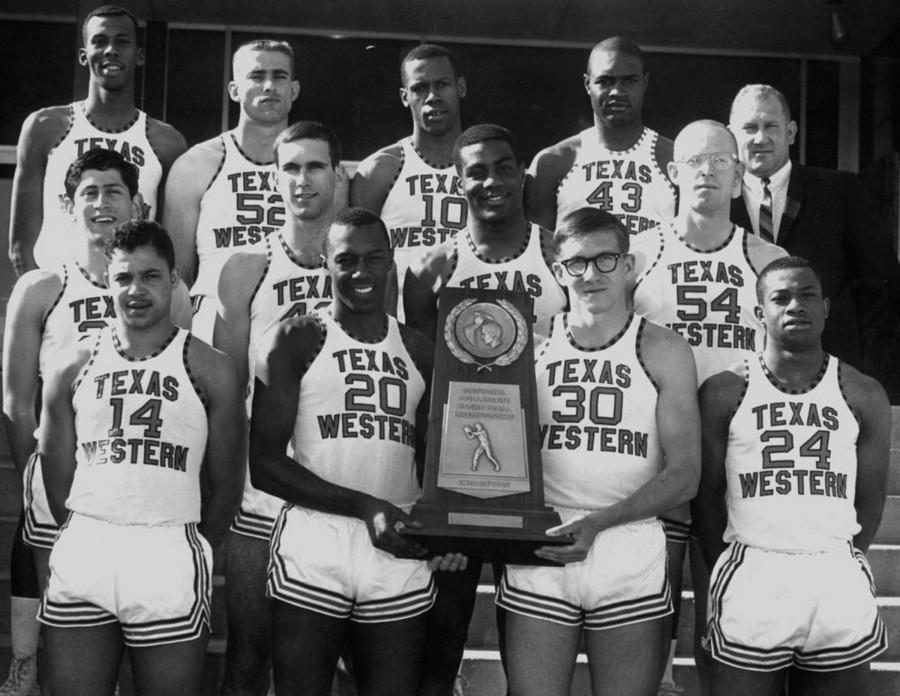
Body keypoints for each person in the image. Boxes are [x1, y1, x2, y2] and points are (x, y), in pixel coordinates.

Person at [249, 207, 464, 695]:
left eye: (374, 259)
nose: (361, 273)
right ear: (325, 263)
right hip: (316, 539)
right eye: (346, 260)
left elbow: (437, 461)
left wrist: (447, 530)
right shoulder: (293, 339)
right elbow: (264, 466)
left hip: (398, 540)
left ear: (390, 262)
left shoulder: (421, 350)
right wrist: (365, 507)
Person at [35, 220, 245, 695]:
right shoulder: (72, 364)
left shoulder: (212, 368)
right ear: (107, 281)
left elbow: (227, 484)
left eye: (150, 276)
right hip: (88, 543)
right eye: (123, 277)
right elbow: (57, 480)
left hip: (169, 546)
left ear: (173, 280)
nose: (136, 289)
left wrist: (194, 545)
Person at [497, 207, 700, 696]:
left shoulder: (664, 349)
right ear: (557, 270)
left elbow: (685, 474)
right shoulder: (529, 343)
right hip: (542, 540)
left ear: (629, 266)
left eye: (605, 260)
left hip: (628, 539)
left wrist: (600, 523)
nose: (590, 274)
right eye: (576, 263)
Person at [404, 123, 568, 696]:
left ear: (521, 171)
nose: (492, 181)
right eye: (477, 171)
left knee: (528, 652)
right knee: (440, 644)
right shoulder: (433, 268)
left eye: (503, 167)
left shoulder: (557, 254)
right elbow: (424, 382)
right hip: (458, 475)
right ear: (457, 182)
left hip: (544, 472)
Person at [630, 119, 786, 695]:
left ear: (740, 172)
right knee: (653, 595)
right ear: (672, 172)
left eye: (721, 161)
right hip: (654, 444)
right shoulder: (640, 252)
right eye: (695, 161)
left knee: (726, 594)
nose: (708, 171)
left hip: (738, 447)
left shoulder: (769, 256)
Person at [693, 255, 889, 696]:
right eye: (780, 297)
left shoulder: (863, 391)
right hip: (753, 569)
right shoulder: (725, 390)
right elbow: (707, 497)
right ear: (760, 313)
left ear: (826, 308)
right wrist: (735, 558)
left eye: (807, 295)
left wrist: (835, 552)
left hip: (834, 573)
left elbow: (871, 500)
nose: (795, 305)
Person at [1, 149, 141, 696]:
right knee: (60, 598)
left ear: (137, 202)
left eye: (114, 191)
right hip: (61, 467)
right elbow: (16, 399)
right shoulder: (42, 287)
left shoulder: (160, 287)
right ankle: (25, 662)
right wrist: (35, 470)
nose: (102, 203)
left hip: (131, 469)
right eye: (90, 192)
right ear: (68, 204)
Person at [213, 121, 343, 696]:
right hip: (262, 490)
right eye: (290, 167)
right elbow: (226, 387)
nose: (302, 179)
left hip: (342, 479)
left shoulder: (366, 264)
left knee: (341, 662)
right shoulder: (246, 268)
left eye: (315, 166)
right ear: (274, 178)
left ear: (338, 176)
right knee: (247, 657)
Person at [728, 84, 900, 373]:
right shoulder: (718, 200)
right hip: (740, 367)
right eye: (749, 128)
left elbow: (881, 282)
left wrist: (854, 354)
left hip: (830, 365)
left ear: (791, 132)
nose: (760, 138)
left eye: (771, 125)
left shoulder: (839, 191)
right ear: (731, 135)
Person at [8, 4, 186, 275]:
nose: (110, 50)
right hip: (57, 293)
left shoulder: (166, 142)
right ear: (83, 55)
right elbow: (21, 246)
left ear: (139, 56)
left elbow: (169, 246)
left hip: (129, 298)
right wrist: (44, 304)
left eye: (122, 42)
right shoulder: (45, 127)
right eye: (99, 42)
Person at [163, 39, 301, 342]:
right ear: (234, 90)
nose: (268, 86)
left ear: (293, 90)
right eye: (256, 76)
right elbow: (177, 273)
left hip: (294, 319)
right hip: (214, 319)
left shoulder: (318, 168)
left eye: (279, 76)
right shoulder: (196, 165)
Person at [351, 43, 468, 315]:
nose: (432, 96)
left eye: (442, 85)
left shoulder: (487, 168)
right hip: (398, 328)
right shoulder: (379, 170)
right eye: (420, 88)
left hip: (471, 327)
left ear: (461, 87)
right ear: (405, 96)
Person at [524, 36, 675, 235]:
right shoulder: (553, 163)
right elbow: (539, 252)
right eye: (605, 81)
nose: (617, 92)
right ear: (587, 84)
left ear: (645, 83)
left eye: (629, 81)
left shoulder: (674, 158)